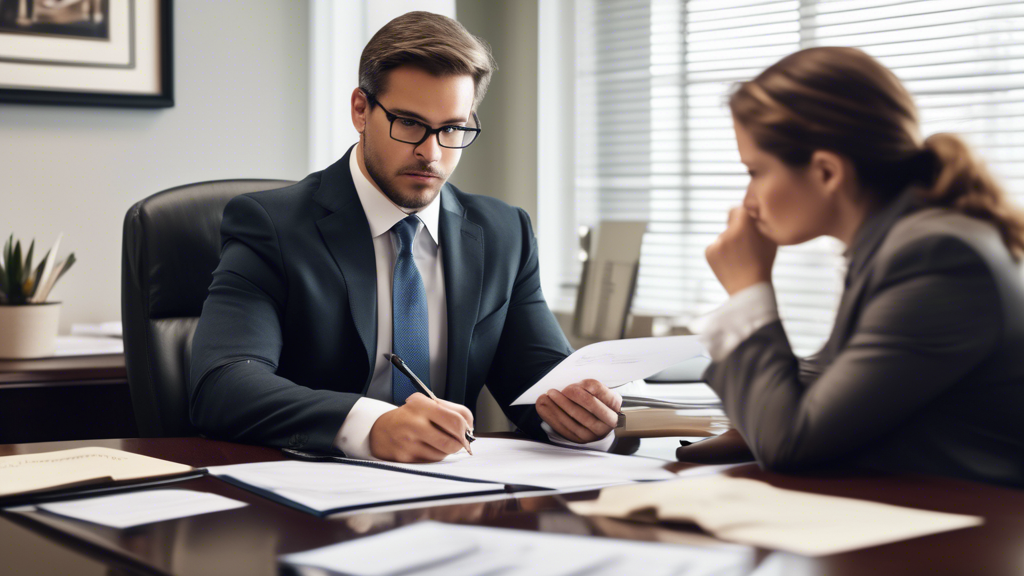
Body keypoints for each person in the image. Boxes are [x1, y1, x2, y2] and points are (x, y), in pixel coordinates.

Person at [188, 11, 621, 463]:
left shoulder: (503, 233)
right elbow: (223, 384)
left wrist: (581, 419)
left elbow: (542, 388)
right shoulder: (270, 225)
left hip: (452, 497)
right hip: (308, 496)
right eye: (410, 123)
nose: (430, 153)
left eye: (452, 128)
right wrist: (371, 426)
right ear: (361, 109)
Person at [681, 46, 1024, 486]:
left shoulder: (934, 256)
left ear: (826, 172)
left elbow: (790, 442)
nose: (748, 200)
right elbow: (826, 389)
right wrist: (757, 416)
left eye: (756, 171)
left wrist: (748, 290)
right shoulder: (894, 241)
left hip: (966, 533)